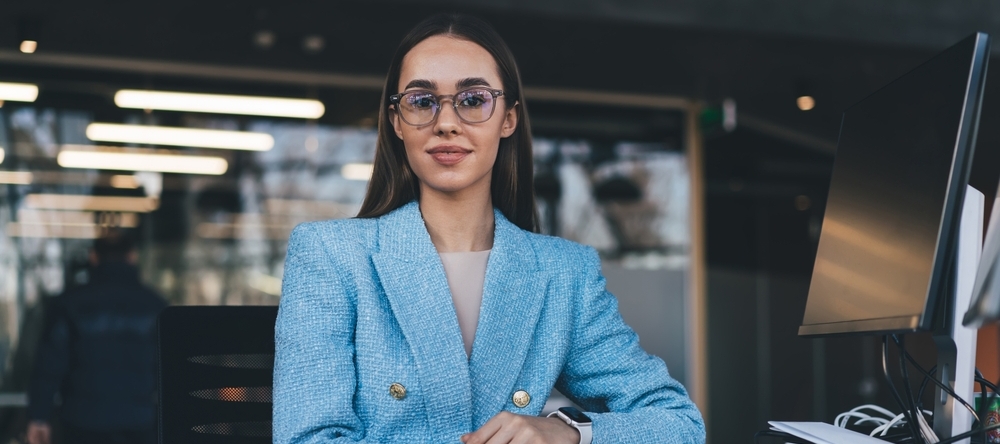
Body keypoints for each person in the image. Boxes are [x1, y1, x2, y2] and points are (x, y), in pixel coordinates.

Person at [273, 13, 705, 444]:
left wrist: (567, 434)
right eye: (422, 101)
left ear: (508, 119)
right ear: (396, 122)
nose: (446, 122)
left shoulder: (562, 273)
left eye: (473, 99)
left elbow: (678, 424)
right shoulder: (331, 255)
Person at [27, 234, 166, 444]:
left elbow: (49, 366)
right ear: (132, 257)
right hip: (139, 422)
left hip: (82, 422)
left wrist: (39, 417)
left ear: (93, 257)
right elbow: (168, 369)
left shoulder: (69, 304)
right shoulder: (155, 305)